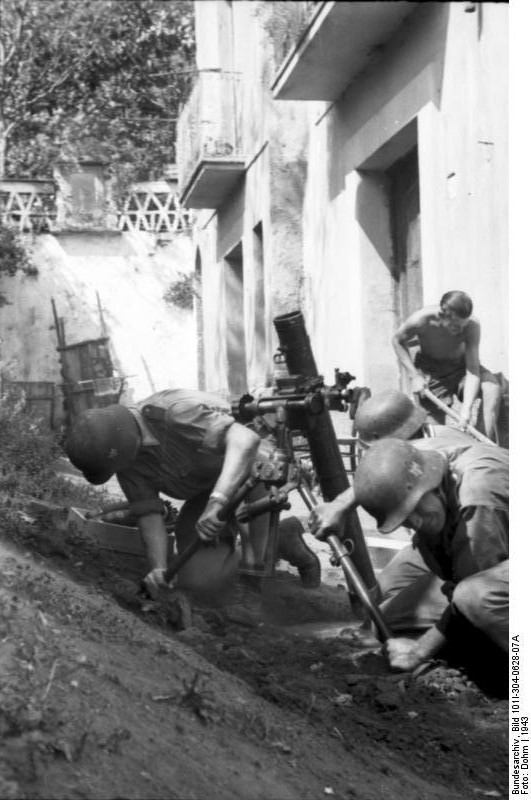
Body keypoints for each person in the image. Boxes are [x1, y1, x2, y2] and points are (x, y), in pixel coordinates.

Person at [65, 389, 320, 621]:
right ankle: (280, 542)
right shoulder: (127, 461)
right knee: (197, 579)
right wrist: (159, 570)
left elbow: (246, 442)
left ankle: (254, 588)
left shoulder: (175, 413)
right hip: (208, 491)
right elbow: (149, 516)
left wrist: (216, 502)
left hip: (256, 471)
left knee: (252, 520)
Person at [309, 437, 508, 679]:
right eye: (404, 517)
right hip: (485, 547)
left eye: (414, 509)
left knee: (475, 599)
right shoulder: (425, 459)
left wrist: (419, 651)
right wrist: (341, 505)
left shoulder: (477, 497)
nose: (414, 522)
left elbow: (472, 592)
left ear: (431, 485)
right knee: (382, 622)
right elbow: (386, 465)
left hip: (490, 558)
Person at [392, 290, 501, 441]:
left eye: (464, 325)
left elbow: (473, 370)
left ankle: (482, 446)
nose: (461, 330)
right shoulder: (421, 320)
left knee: (491, 388)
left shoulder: (472, 325)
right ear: (442, 316)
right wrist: (415, 376)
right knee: (434, 437)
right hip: (433, 373)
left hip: (462, 368)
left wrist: (466, 410)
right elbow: (397, 340)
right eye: (456, 326)